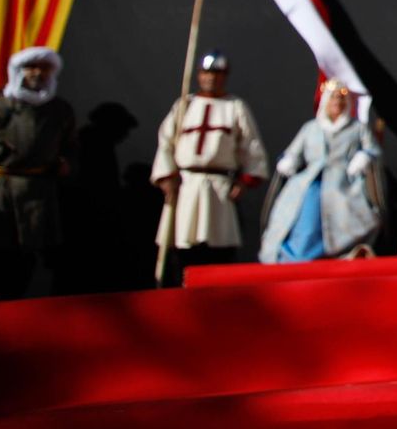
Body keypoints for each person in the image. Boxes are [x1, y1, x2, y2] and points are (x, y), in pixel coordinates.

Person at [150, 50, 269, 270]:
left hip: (219, 188)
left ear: (225, 76)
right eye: (206, 73)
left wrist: (245, 181)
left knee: (218, 250)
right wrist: (167, 177)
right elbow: (166, 142)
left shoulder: (235, 107)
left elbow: (252, 147)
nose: (211, 78)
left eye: (217, 73)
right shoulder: (184, 105)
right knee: (182, 246)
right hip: (186, 186)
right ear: (198, 75)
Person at [259, 80, 381, 263]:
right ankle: (294, 254)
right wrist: (288, 161)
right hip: (308, 182)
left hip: (342, 182)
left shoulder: (357, 128)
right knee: (302, 214)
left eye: (341, 99)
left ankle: (337, 250)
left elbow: (372, 149)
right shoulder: (311, 128)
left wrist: (363, 157)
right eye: (334, 98)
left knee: (341, 211)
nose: (337, 103)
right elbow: (293, 152)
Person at [0, 47, 76, 299]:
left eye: (44, 68)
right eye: (31, 67)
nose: (37, 73)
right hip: (1, 188)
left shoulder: (58, 109)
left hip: (39, 190)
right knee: (0, 248)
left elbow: (71, 145)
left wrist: (67, 163)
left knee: (34, 253)